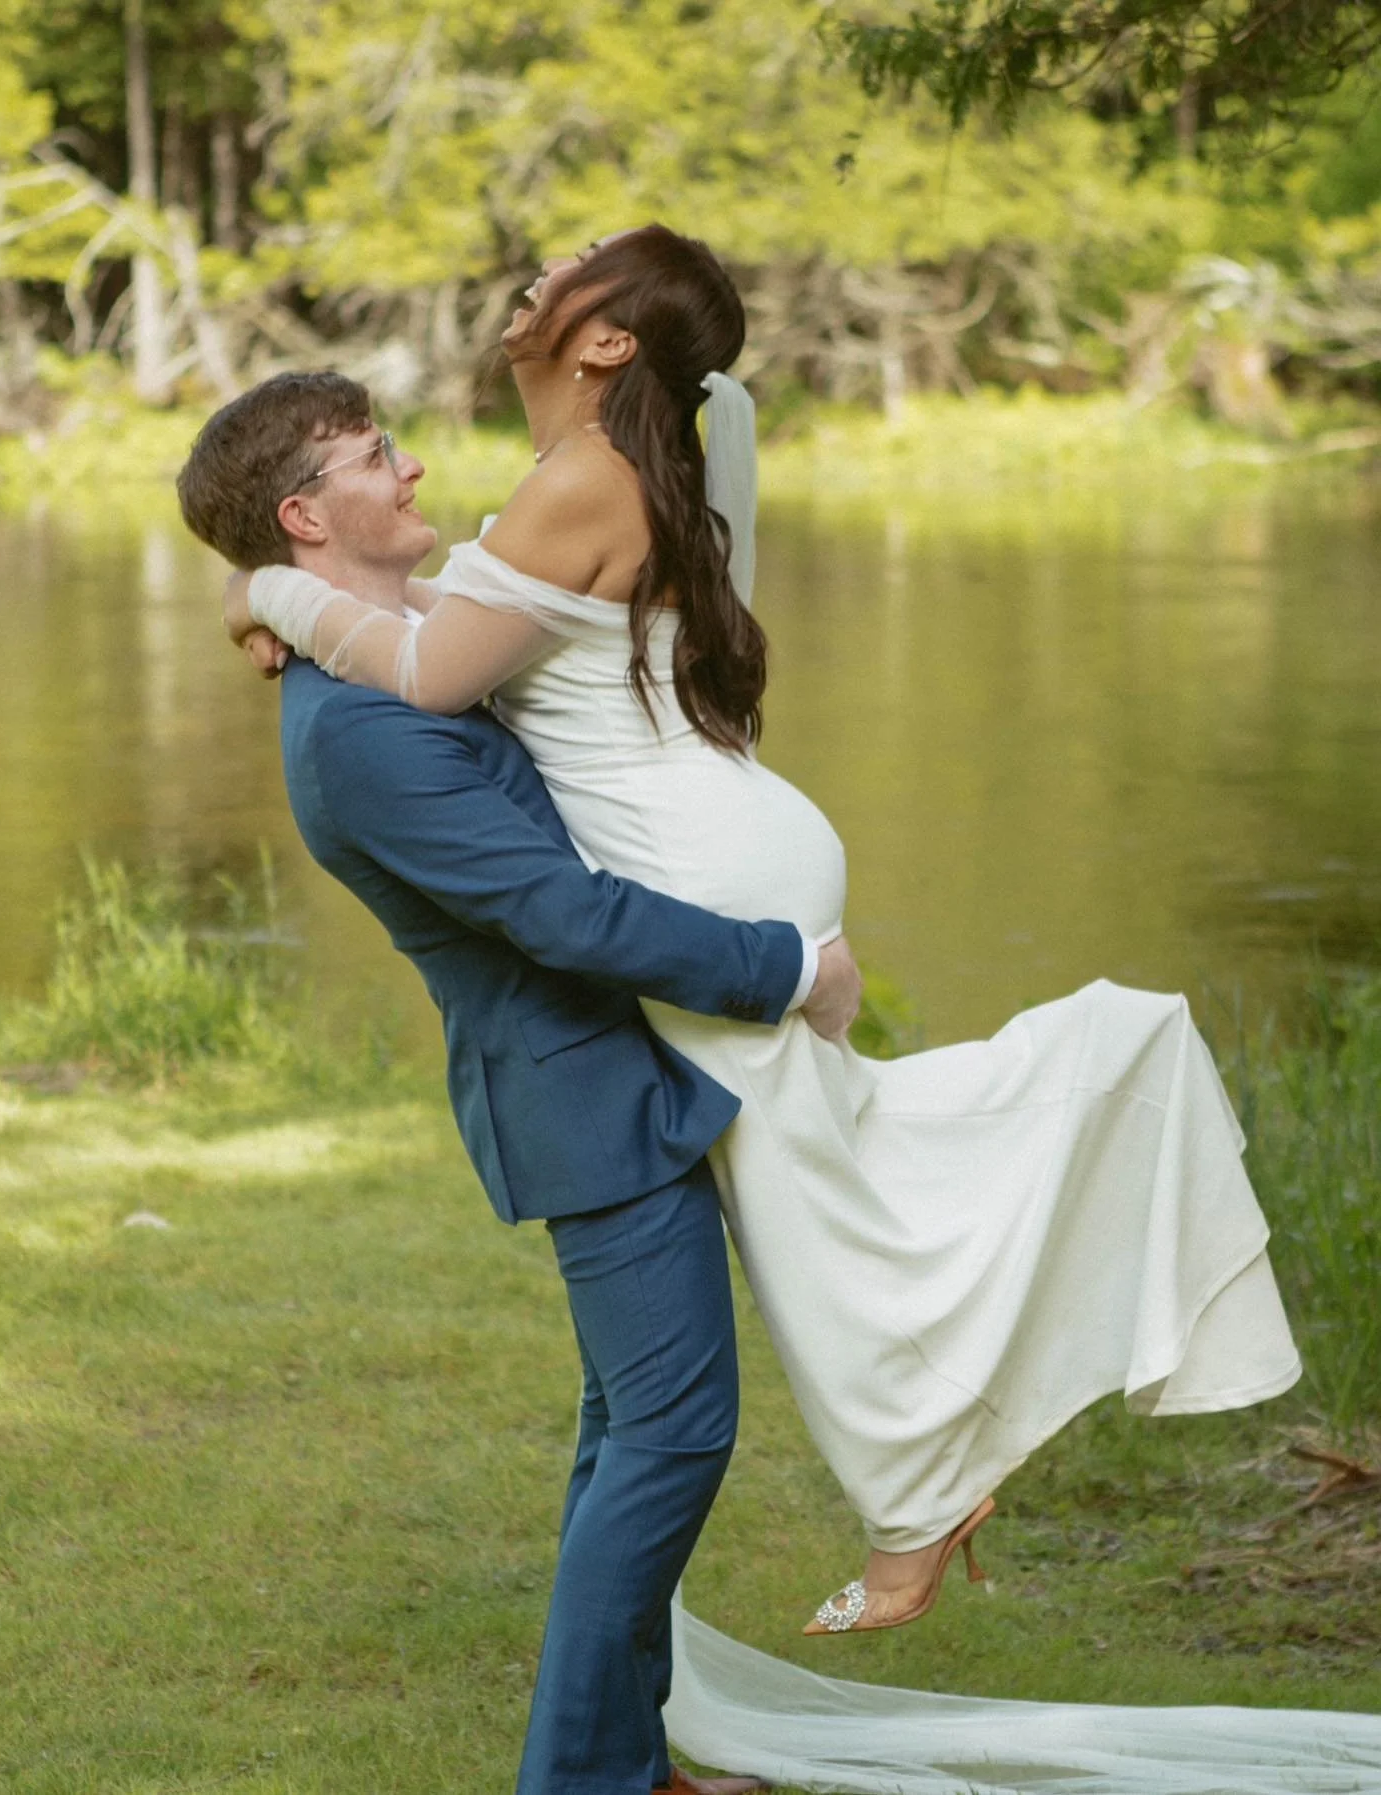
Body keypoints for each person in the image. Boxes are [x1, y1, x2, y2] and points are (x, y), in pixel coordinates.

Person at [232, 225, 1302, 1642]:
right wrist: (308, 613)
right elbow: (466, 627)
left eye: (581, 263)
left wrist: (276, 594)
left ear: (609, 340)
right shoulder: (595, 478)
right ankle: (918, 1487)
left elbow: (429, 672)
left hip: (701, 879)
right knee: (838, 1175)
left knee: (824, 1203)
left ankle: (922, 1492)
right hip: (724, 856)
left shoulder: (580, 480)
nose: (543, 269)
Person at [177, 368, 866, 1795]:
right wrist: (788, 967)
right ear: (310, 512)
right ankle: (585, 1778)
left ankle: (618, 1758)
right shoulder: (361, 737)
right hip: (583, 1098)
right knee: (672, 1429)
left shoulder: (387, 651)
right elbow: (564, 916)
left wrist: (260, 596)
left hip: (620, 1070)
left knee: (631, 1423)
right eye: (380, 457)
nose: (416, 470)